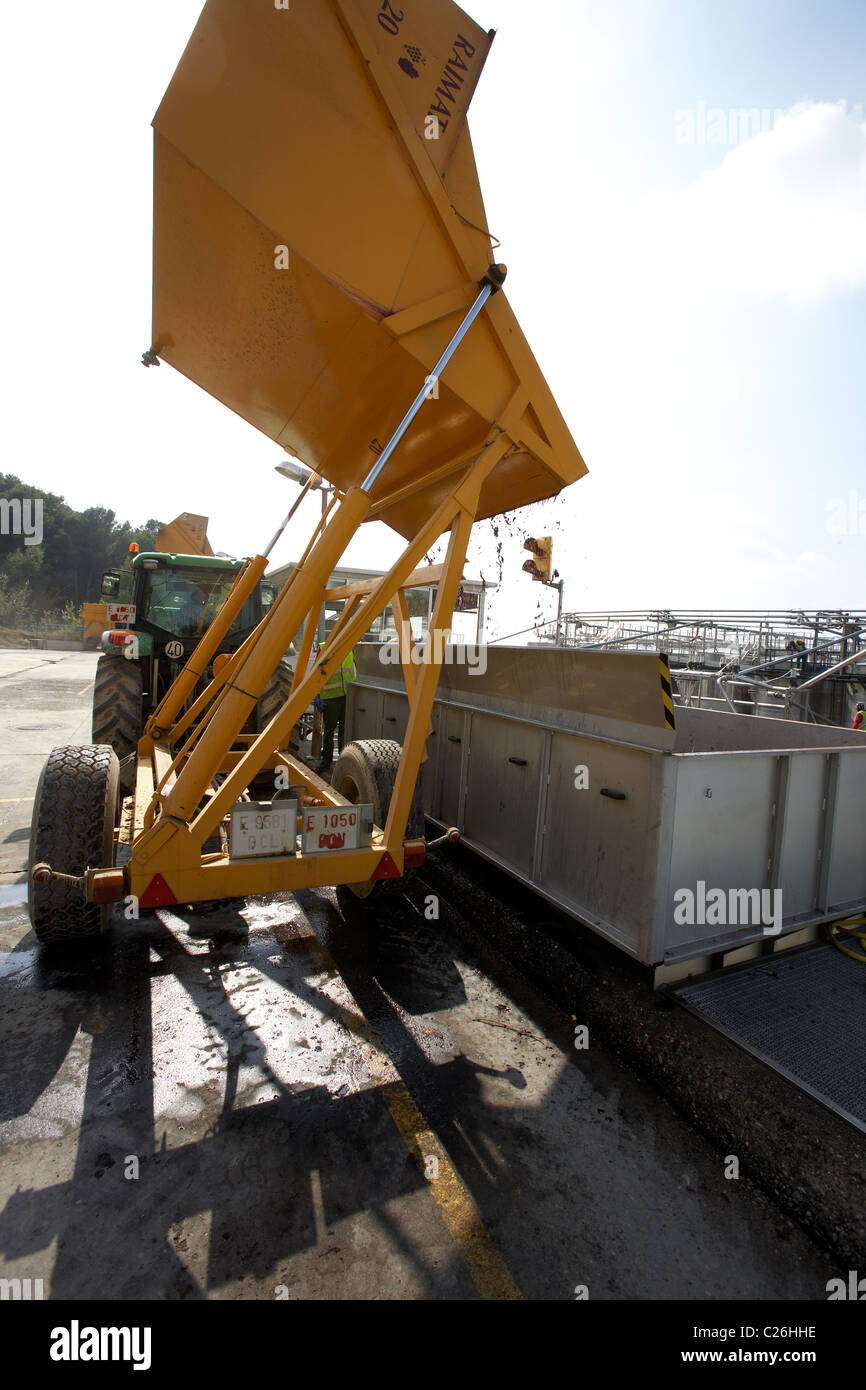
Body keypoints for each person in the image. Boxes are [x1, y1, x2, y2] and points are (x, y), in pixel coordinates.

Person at [317, 648, 357, 773]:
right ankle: (327, 761)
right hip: (331, 697)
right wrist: (318, 694)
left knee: (345, 730)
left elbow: (356, 670)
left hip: (347, 696)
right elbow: (316, 673)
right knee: (329, 730)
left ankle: (343, 761)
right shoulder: (323, 648)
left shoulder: (350, 649)